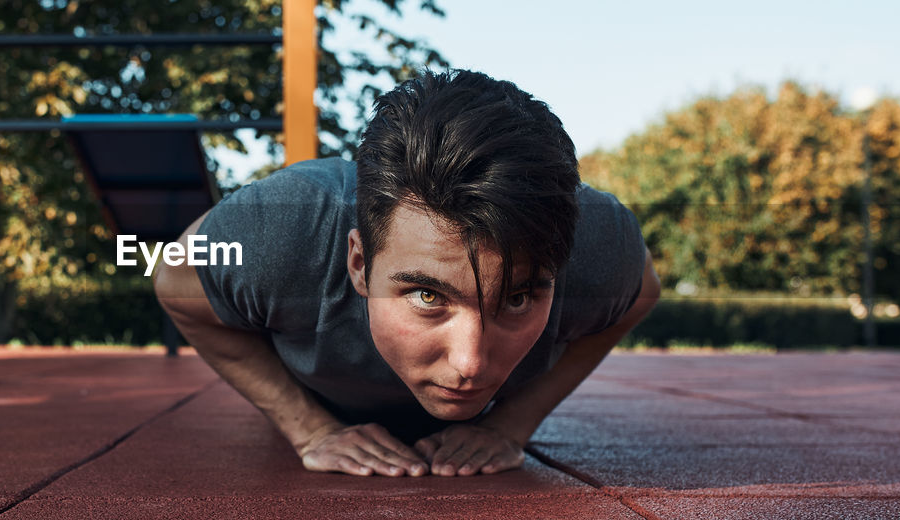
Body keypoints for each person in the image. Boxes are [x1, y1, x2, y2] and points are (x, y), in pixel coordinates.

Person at [154, 69, 659, 477]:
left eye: (518, 298)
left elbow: (642, 294)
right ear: (358, 262)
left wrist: (511, 425)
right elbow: (170, 277)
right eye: (426, 296)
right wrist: (309, 428)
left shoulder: (599, 242)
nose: (470, 364)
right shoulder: (285, 231)